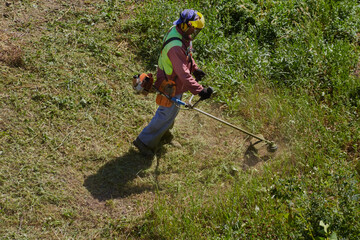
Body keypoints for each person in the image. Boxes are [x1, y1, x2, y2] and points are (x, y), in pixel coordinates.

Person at [133, 9, 213, 156]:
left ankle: (164, 134)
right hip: (170, 83)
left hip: (177, 82)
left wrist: (195, 68)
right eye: (195, 29)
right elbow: (183, 73)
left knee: (173, 111)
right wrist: (200, 90)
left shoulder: (181, 33)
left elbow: (186, 55)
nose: (195, 33)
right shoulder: (175, 46)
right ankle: (143, 142)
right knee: (165, 113)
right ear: (187, 26)